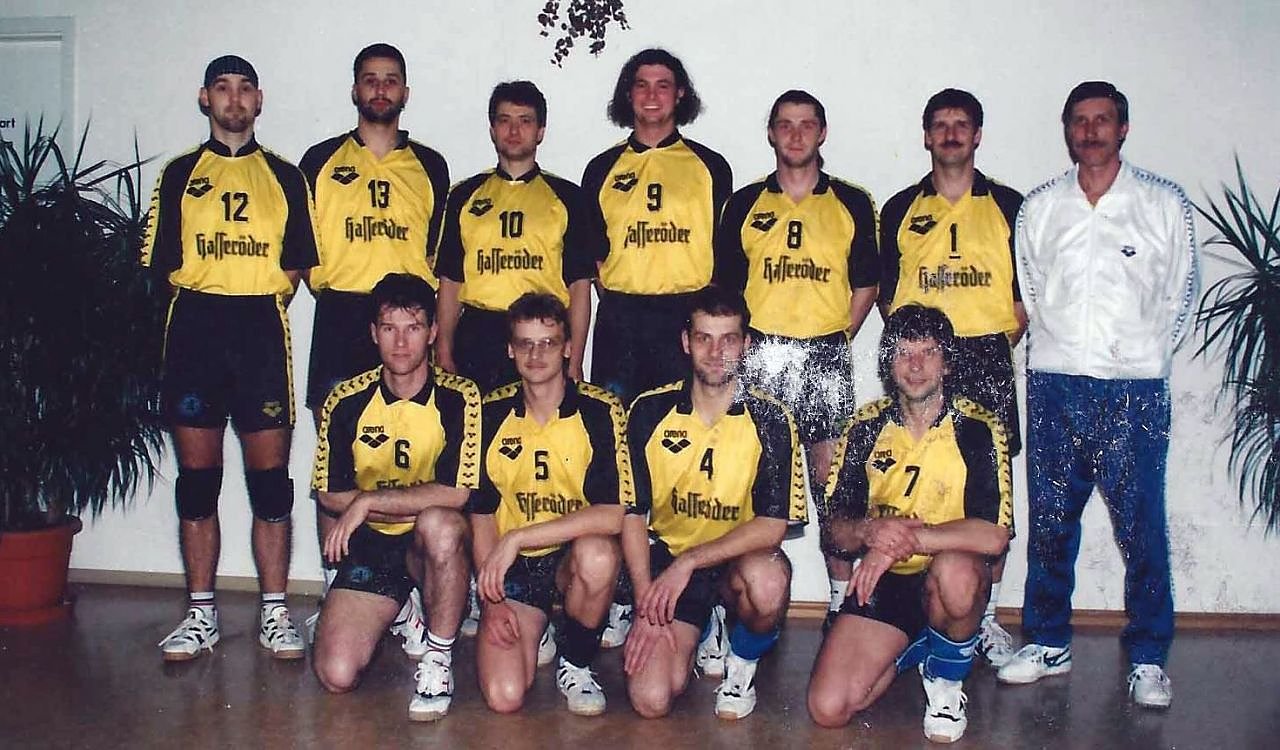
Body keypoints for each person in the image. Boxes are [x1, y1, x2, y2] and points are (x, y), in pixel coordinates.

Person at [999, 81, 1199, 709]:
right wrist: (1062, 355)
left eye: (1102, 120)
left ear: (1123, 128)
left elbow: (1182, 294)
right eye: (1080, 121)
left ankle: (1148, 656)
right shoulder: (1040, 207)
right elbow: (1033, 292)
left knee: (1142, 529)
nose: (1090, 131)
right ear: (1067, 130)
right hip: (1055, 385)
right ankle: (1048, 641)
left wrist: (1142, 358)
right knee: (1050, 524)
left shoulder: (1162, 204)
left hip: (1133, 390)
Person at [142, 54, 318, 662]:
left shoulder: (286, 176)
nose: (235, 99)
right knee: (198, 485)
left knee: (271, 486)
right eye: (223, 88)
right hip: (195, 329)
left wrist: (250, 293)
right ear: (205, 98)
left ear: (259, 100)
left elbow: (297, 265)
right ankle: (201, 614)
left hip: (259, 331)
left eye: (245, 89)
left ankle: (275, 612)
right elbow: (160, 264)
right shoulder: (179, 174)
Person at [298, 42, 450, 650]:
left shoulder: (431, 165)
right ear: (355, 89)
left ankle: (415, 592)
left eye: (391, 80)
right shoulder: (319, 160)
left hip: (407, 323)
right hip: (342, 316)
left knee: (421, 455)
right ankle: (337, 584)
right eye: (370, 79)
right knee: (334, 461)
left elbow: (440, 257)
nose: (380, 89)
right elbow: (302, 251)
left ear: (405, 92)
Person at [581, 47, 732, 646]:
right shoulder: (601, 168)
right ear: (628, 95)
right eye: (640, 85)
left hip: (683, 321)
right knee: (622, 459)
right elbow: (592, 260)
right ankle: (625, 592)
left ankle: (706, 600)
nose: (651, 95)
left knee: (690, 454)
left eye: (663, 85)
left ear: (680, 95)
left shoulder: (710, 166)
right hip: (621, 322)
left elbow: (724, 257)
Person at [807, 304, 1012, 744]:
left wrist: (905, 540)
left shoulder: (979, 427)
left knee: (956, 571)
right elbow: (834, 529)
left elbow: (994, 535)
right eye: (903, 352)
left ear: (948, 363)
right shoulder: (863, 427)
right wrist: (869, 533)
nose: (916, 366)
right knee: (829, 708)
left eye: (928, 352)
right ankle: (919, 643)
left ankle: (945, 681)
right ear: (888, 363)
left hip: (949, 574)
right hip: (887, 581)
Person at [714, 89, 878, 637]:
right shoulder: (744, 204)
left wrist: (833, 336)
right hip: (761, 353)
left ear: (822, 132)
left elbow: (867, 283)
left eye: (807, 124)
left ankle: (841, 601)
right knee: (750, 479)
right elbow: (726, 293)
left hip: (824, 353)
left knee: (832, 480)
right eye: (785, 124)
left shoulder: (853, 202)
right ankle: (738, 600)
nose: (796, 134)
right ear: (771, 133)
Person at [878, 88, 1024, 666]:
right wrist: (921, 352)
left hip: (985, 357)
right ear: (926, 136)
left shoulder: (1009, 205)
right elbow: (888, 297)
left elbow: (1025, 298)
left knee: (991, 495)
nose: (951, 133)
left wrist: (989, 344)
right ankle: (915, 608)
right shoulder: (900, 208)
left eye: (961, 124)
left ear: (978, 135)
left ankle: (984, 618)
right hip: (922, 361)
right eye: (940, 125)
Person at [622, 286, 806, 720]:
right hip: (670, 564)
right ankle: (705, 626)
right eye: (704, 338)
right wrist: (647, 600)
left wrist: (692, 562)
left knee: (769, 580)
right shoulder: (649, 410)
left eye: (728, 339)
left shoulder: (772, 419)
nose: (716, 351)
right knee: (651, 700)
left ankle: (741, 664)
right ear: (686, 342)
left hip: (734, 564)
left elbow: (773, 526)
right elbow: (632, 514)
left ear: (746, 344)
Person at [310, 273, 480, 722]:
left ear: (433, 332)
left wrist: (369, 501)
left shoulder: (460, 397)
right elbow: (329, 492)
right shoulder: (346, 400)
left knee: (441, 524)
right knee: (336, 673)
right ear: (373, 333)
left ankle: (438, 657)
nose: (401, 343)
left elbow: (457, 491)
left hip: (428, 545)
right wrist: (364, 506)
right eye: (389, 328)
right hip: (374, 544)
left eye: (413, 328)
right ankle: (404, 610)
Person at [470, 293, 630, 716]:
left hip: (569, 558)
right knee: (504, 697)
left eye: (548, 343)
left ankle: (575, 661)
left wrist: (520, 537)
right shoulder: (488, 413)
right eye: (525, 343)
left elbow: (614, 513)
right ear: (510, 350)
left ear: (569, 348)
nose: (536, 355)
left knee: (598, 555)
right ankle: (537, 627)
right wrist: (492, 601)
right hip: (514, 569)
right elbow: (481, 513)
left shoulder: (600, 411)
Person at [435, 81, 594, 393]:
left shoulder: (568, 197)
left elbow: (579, 287)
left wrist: (574, 360)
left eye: (525, 121)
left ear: (540, 131)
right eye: (504, 120)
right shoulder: (464, 195)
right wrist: (443, 350)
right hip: (478, 335)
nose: (513, 130)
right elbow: (450, 282)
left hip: (541, 335)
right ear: (492, 130)